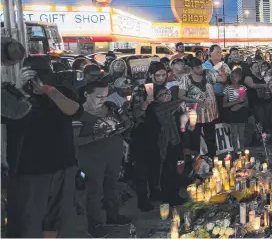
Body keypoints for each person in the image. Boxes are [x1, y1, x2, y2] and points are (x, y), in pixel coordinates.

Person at [6, 57, 82, 238]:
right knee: (28, 221)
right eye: (34, 73)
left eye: (45, 72)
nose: (39, 78)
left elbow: (75, 110)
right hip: (29, 171)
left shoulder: (60, 92)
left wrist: (48, 91)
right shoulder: (12, 95)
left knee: (58, 219)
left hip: (64, 165)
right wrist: (20, 89)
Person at [75, 79, 132, 237]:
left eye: (105, 95)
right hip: (92, 158)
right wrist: (97, 136)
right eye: (99, 96)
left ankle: (113, 215)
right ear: (87, 94)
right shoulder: (78, 113)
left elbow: (126, 122)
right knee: (94, 191)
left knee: (112, 186)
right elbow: (75, 140)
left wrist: (122, 127)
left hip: (113, 154)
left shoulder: (111, 107)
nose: (103, 99)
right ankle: (95, 224)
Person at [131, 62, 168, 211]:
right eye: (157, 75)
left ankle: (155, 191)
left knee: (156, 164)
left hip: (158, 131)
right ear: (151, 75)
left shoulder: (164, 88)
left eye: (163, 75)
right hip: (142, 132)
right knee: (142, 168)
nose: (161, 78)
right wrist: (148, 101)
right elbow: (136, 113)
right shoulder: (141, 89)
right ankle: (142, 198)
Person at [179, 57, 226, 158]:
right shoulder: (186, 79)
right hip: (194, 113)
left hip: (210, 112)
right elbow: (181, 95)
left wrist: (221, 70)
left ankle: (212, 159)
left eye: (200, 66)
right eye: (197, 67)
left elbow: (222, 79)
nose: (200, 69)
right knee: (195, 139)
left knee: (211, 138)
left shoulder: (208, 73)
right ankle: (196, 163)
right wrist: (195, 101)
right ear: (191, 69)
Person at [145, 87, 185, 205]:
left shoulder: (173, 109)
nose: (167, 95)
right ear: (157, 99)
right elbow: (171, 106)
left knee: (177, 169)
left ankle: (175, 194)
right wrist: (184, 99)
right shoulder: (157, 108)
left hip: (175, 141)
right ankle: (168, 197)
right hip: (165, 144)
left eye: (168, 93)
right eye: (163, 94)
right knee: (167, 171)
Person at [222, 68, 248, 152]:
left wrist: (239, 106)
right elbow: (224, 104)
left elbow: (245, 102)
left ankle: (242, 149)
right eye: (232, 76)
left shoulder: (242, 88)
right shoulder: (227, 88)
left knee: (241, 134)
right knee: (233, 134)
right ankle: (235, 150)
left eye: (235, 77)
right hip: (232, 112)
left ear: (240, 78)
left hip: (241, 112)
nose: (233, 78)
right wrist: (236, 102)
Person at [244, 62, 271, 133]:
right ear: (251, 68)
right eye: (255, 67)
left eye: (258, 66)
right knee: (259, 118)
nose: (258, 68)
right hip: (254, 100)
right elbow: (252, 85)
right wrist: (264, 85)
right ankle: (258, 135)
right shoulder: (248, 77)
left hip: (263, 99)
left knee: (265, 118)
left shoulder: (261, 76)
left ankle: (264, 134)